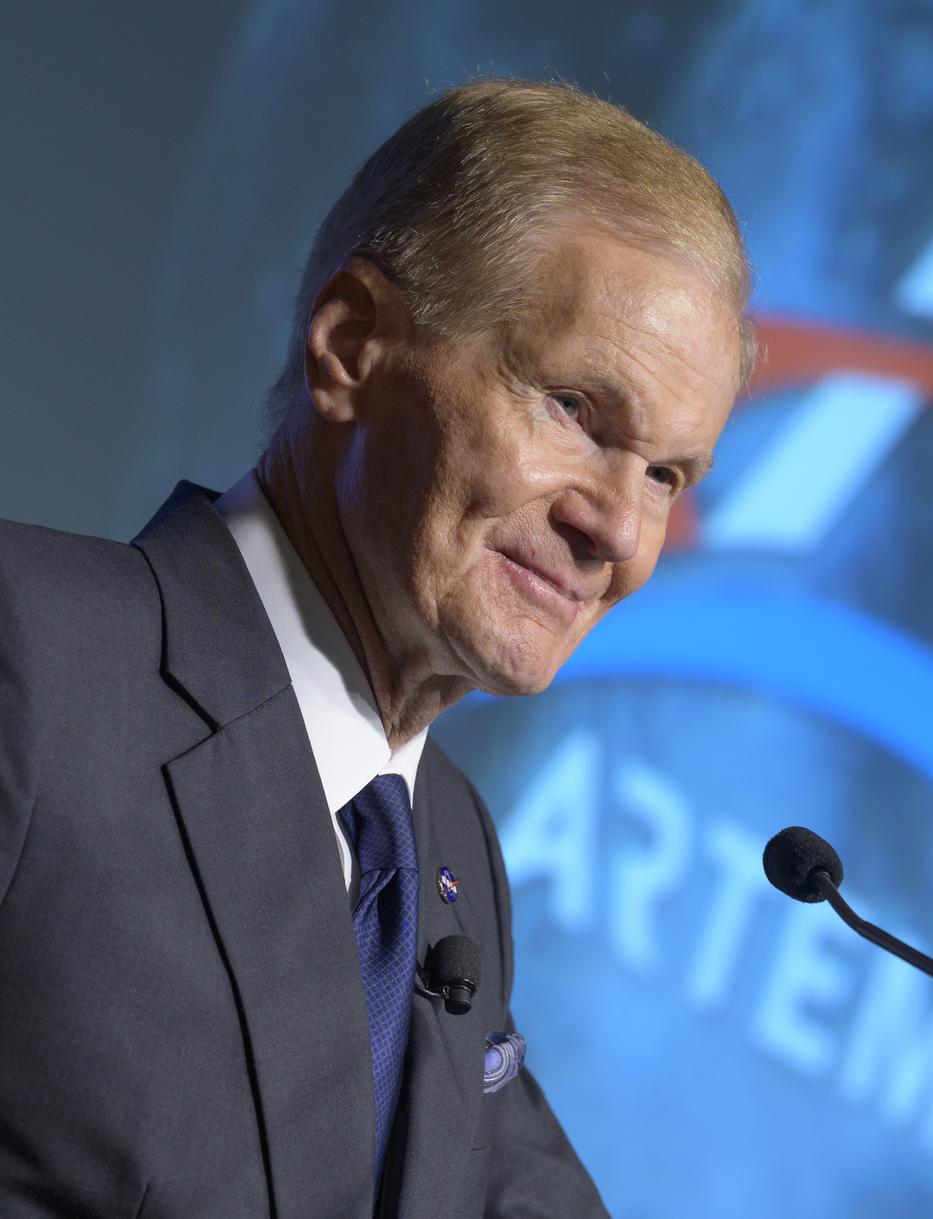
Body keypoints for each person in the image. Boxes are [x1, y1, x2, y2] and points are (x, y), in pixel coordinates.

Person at [0, 79, 752, 1217]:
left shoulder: (446, 854)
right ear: (350, 347)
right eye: (574, 410)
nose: (617, 531)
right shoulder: (36, 659)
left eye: (664, 475)